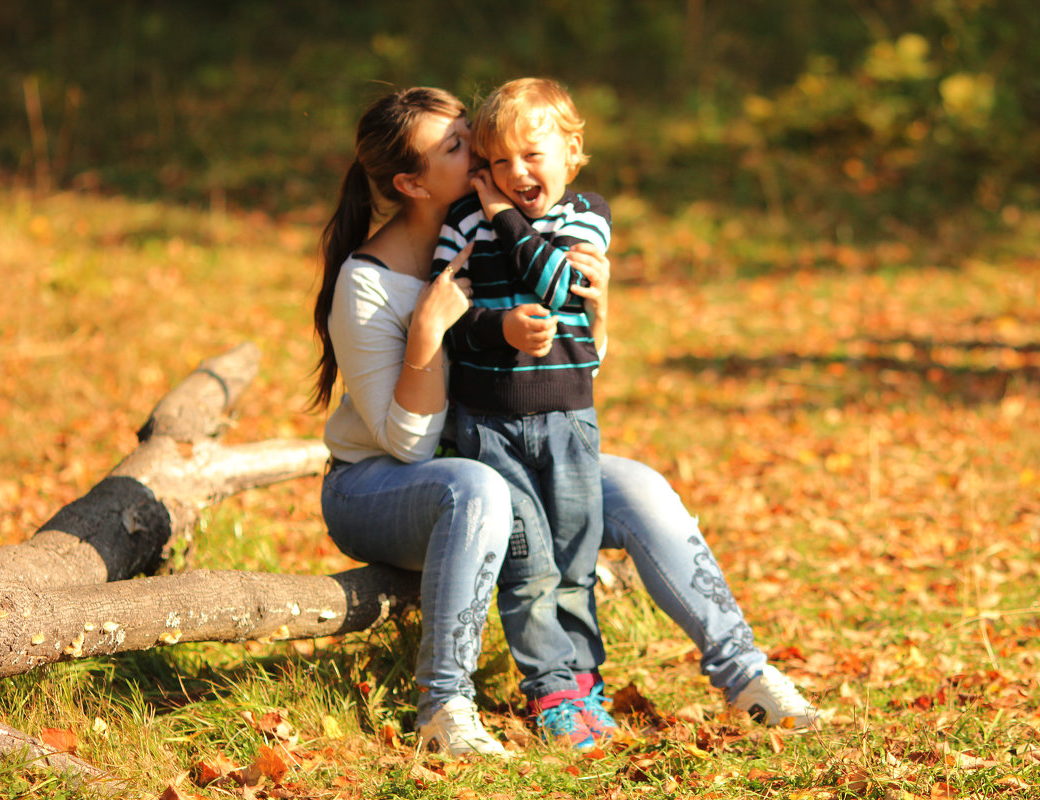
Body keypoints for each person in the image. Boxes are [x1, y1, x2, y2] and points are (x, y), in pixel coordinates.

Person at [312, 86, 818, 760]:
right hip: (379, 488)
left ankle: (745, 672)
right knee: (478, 489)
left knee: (639, 486)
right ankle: (445, 708)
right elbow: (409, 443)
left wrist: (598, 309)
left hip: (510, 451)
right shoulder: (369, 282)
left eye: (474, 136)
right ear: (410, 182)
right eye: (461, 147)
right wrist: (428, 333)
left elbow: (572, 366)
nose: (486, 157)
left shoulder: (501, 232)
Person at [430, 78, 610, 748]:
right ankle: (553, 695)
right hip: (490, 425)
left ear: (572, 150)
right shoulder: (462, 223)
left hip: (568, 422)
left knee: (575, 559)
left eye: (533, 155)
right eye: (499, 162)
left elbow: (561, 284)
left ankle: (588, 682)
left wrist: (503, 214)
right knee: (529, 563)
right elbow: (449, 314)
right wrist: (495, 329)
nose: (516, 174)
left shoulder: (587, 214)